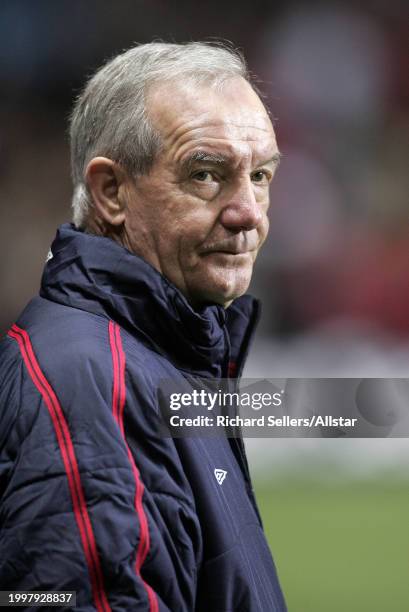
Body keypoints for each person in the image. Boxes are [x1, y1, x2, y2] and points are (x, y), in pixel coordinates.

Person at [0, 42, 286, 611]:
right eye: (206, 175)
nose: (249, 211)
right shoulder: (88, 380)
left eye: (259, 175)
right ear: (111, 192)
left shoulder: (163, 352)